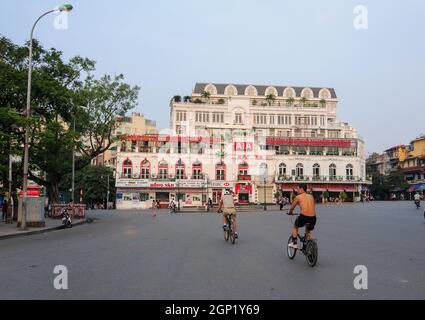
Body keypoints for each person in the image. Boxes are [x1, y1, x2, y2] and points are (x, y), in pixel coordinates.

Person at [287, 184, 317, 248]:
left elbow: (292, 207)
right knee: (308, 229)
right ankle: (309, 245)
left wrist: (290, 212)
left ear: (301, 189)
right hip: (313, 218)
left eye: (298, 189)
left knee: (295, 227)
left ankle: (294, 243)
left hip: (304, 217)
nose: (297, 190)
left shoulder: (298, 197)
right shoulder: (311, 196)